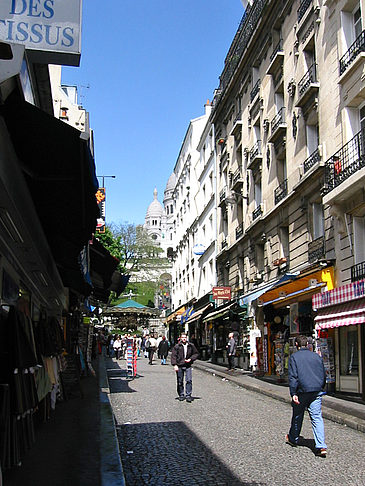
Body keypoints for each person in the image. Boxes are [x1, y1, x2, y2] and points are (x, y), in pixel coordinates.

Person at [286, 335, 327, 457]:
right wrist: (321, 386)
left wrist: (293, 393)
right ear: (308, 344)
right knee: (316, 417)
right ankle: (321, 445)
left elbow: (293, 377)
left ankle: (293, 438)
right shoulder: (316, 356)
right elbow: (323, 374)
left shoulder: (294, 357)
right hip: (316, 391)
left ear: (297, 345)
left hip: (302, 391)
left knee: (298, 416)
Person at [171, 333, 199, 402]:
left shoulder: (191, 345)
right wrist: (175, 365)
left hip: (188, 365)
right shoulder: (177, 346)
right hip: (179, 365)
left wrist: (191, 359)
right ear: (180, 338)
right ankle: (181, 394)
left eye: (185, 337)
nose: (184, 339)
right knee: (180, 381)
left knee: (189, 380)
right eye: (182, 337)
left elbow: (196, 353)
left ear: (187, 338)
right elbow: (173, 356)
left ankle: (188, 395)